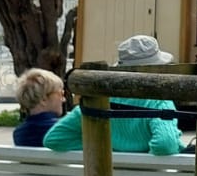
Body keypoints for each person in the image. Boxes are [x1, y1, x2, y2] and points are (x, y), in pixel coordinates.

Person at [43, 34, 182, 154]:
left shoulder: (96, 101)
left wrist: (104, 149)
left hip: (103, 173)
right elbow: (165, 145)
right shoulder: (158, 102)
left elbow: (54, 139)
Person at [13, 68, 65, 146]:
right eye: (61, 94)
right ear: (43, 99)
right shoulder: (63, 129)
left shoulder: (18, 134)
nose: (64, 99)